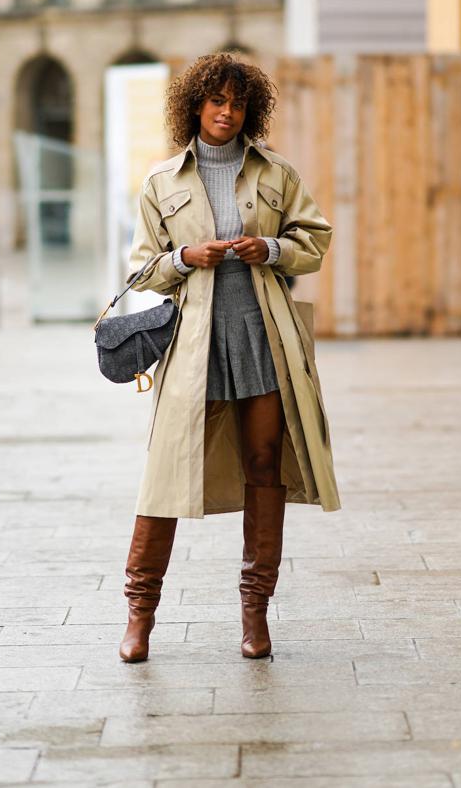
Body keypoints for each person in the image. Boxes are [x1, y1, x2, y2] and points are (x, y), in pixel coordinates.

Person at [119, 53, 341, 663]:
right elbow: (143, 267)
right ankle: (139, 617)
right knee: (164, 476)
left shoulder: (275, 172)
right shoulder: (162, 181)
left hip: (263, 337)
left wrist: (269, 247)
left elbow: (314, 240)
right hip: (193, 344)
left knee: (265, 464)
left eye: (237, 103)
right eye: (216, 101)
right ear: (195, 105)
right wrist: (186, 258)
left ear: (251, 110)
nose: (226, 112)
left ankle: (256, 617)